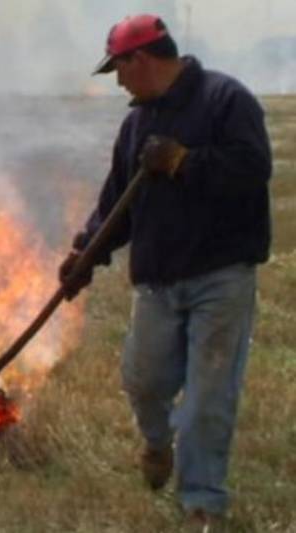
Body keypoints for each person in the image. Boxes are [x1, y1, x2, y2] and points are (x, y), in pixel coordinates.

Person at [58, 13, 272, 530]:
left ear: (143, 58)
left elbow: (252, 170)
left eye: (119, 69)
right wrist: (86, 255)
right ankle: (158, 444)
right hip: (156, 281)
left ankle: (203, 503)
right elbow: (118, 206)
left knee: (206, 400)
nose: (119, 80)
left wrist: (183, 162)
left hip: (221, 276)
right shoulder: (137, 124)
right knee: (144, 381)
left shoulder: (226, 100)